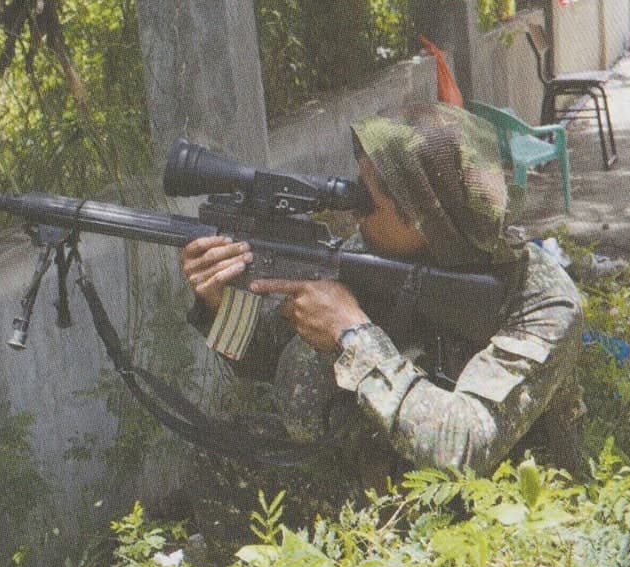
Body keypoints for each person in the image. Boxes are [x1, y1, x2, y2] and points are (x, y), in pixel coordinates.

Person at [179, 102, 584, 487]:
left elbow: (467, 445)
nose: (354, 208)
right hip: (370, 470)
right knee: (219, 451)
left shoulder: (540, 299)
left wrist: (352, 334)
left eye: (368, 200)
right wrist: (220, 301)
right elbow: (267, 359)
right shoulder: (371, 253)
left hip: (481, 506)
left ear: (424, 217)